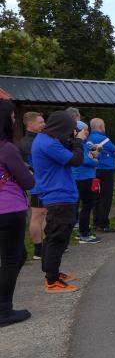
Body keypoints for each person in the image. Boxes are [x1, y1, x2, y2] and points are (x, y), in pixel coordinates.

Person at [31, 110, 85, 293]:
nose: (70, 133)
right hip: (59, 195)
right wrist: (78, 142)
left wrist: (72, 141)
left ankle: (51, 271)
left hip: (57, 194)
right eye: (69, 129)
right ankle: (52, 281)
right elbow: (75, 160)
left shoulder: (45, 139)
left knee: (53, 235)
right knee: (58, 237)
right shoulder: (49, 144)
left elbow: (65, 150)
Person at [1, 100, 35, 326]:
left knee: (17, 256)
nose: (15, 120)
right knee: (12, 259)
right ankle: (4, 310)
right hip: (9, 209)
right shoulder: (7, 148)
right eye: (12, 117)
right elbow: (28, 181)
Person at [19, 111, 46, 259]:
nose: (44, 124)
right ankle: (38, 250)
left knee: (45, 214)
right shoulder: (28, 142)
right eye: (40, 122)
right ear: (30, 124)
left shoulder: (38, 138)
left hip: (44, 183)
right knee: (37, 215)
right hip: (37, 184)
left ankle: (46, 245)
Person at [88, 118, 115, 232]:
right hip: (106, 171)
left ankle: (96, 222)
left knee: (95, 196)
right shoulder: (104, 139)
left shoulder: (88, 138)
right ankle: (103, 224)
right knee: (106, 196)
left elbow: (91, 154)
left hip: (93, 171)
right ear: (101, 126)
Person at [73, 121, 102, 243]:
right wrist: (95, 160)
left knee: (82, 206)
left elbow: (89, 156)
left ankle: (81, 231)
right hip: (84, 178)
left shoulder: (82, 144)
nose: (87, 133)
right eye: (84, 130)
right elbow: (85, 160)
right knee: (87, 206)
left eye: (87, 130)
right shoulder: (79, 144)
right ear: (77, 131)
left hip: (81, 178)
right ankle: (84, 234)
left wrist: (95, 153)